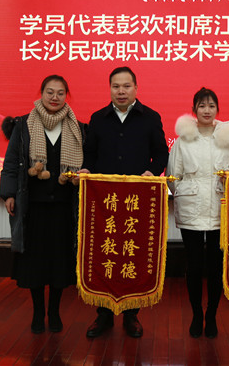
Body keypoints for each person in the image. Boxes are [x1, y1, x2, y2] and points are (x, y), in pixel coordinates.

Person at [78, 66, 169, 338]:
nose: (121, 91)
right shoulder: (98, 119)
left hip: (136, 200)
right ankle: (104, 314)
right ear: (109, 89)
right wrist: (86, 169)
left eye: (126, 86)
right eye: (116, 86)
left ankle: (131, 314)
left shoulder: (150, 117)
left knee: (132, 253)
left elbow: (161, 153)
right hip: (104, 201)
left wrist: (152, 172)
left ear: (136, 88)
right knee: (105, 253)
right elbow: (90, 154)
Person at [0, 75, 85, 334]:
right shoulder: (24, 125)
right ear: (41, 93)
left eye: (60, 93)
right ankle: (38, 312)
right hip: (33, 207)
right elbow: (11, 163)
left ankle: (55, 312)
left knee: (59, 262)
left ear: (66, 96)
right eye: (50, 92)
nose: (55, 97)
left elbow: (87, 164)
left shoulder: (78, 127)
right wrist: (9, 194)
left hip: (64, 207)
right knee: (34, 263)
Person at [166, 87, 229, 338]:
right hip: (191, 209)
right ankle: (196, 314)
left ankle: (211, 315)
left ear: (217, 110)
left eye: (211, 105)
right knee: (193, 266)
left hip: (219, 208)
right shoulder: (183, 140)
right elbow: (173, 177)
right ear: (194, 110)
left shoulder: (227, 138)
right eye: (202, 105)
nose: (207, 110)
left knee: (215, 267)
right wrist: (186, 193)